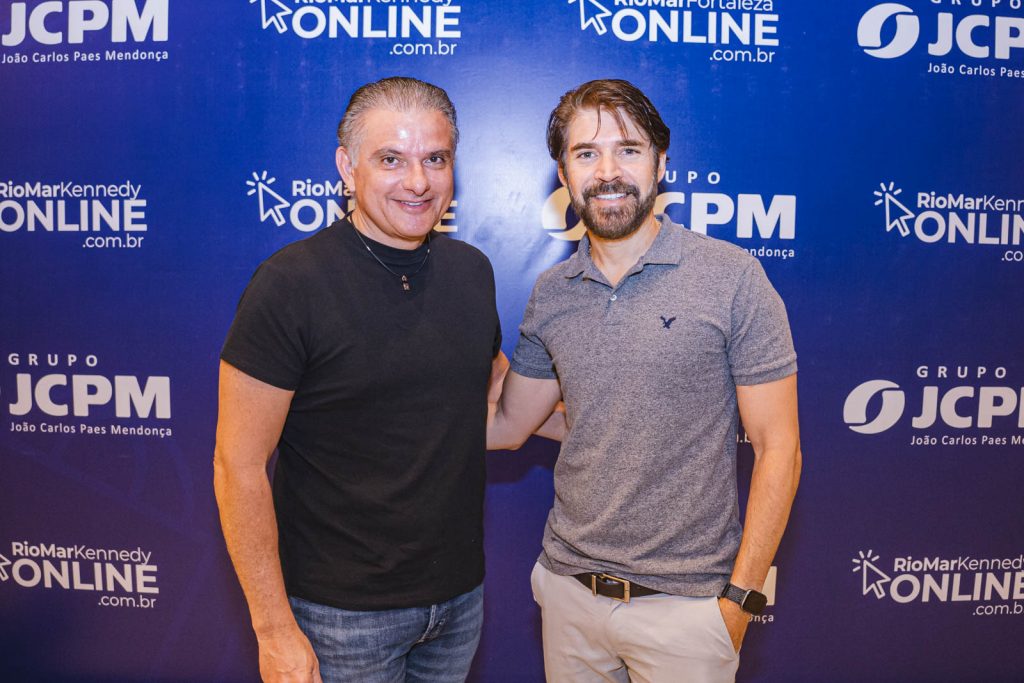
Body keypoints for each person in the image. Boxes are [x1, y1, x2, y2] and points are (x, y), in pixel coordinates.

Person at [488, 79, 801, 682]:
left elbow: (779, 449)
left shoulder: (732, 277)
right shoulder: (552, 293)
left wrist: (739, 602)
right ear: (564, 173)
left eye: (628, 150)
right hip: (569, 595)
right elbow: (510, 424)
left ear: (661, 164)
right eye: (587, 153)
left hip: (687, 609)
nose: (608, 171)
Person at [214, 77, 504, 683]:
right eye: (391, 159)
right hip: (338, 618)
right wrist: (273, 630)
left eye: (436, 159)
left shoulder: (471, 271)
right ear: (347, 168)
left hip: (458, 603)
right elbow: (237, 466)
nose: (418, 181)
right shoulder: (289, 285)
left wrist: (626, 425)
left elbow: (496, 408)